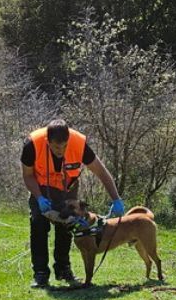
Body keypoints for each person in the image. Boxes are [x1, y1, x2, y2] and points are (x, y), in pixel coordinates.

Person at [20, 118, 124, 288]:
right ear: (48, 141)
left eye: (64, 146)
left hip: (67, 190)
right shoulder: (32, 144)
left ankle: (63, 270)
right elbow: (27, 175)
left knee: (67, 226)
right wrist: (38, 197)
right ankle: (40, 274)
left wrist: (116, 199)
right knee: (39, 225)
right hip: (40, 189)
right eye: (55, 147)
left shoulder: (79, 144)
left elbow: (101, 172)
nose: (60, 151)